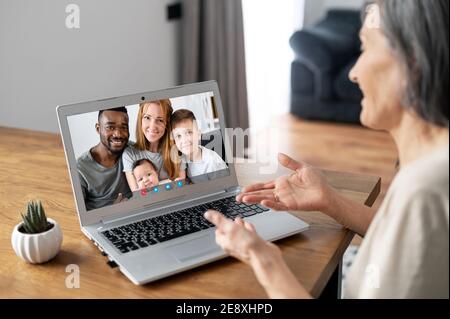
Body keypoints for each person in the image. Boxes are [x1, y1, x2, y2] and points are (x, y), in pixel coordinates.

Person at [204, 0, 449, 298]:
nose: (353, 73)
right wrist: (329, 200)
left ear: (413, 63)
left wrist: (263, 259)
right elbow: (404, 241)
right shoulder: (431, 171)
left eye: (366, 47)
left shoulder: (425, 188)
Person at [77, 107, 131, 210]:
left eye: (124, 127)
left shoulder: (133, 152)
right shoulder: (80, 168)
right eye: (110, 127)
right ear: (98, 128)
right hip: (103, 222)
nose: (118, 134)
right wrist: (112, 211)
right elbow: (80, 213)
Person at [122, 99, 180, 191]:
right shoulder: (130, 155)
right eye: (147, 118)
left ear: (167, 124)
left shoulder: (175, 149)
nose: (152, 126)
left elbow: (180, 186)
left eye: (160, 120)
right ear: (140, 119)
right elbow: (138, 195)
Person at [170, 109, 227, 181]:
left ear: (199, 134)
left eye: (189, 132)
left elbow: (223, 187)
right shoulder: (184, 157)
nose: (184, 140)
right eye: (178, 136)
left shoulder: (211, 162)